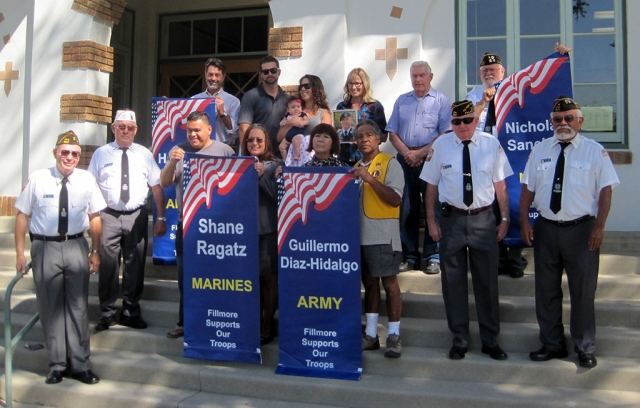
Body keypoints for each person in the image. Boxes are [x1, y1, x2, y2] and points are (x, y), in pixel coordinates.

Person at [520, 96, 619, 369]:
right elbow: (527, 188)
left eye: (568, 118)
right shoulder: (540, 150)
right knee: (546, 291)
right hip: (547, 229)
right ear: (551, 122)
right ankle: (552, 344)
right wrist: (525, 223)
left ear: (580, 121)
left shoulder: (595, 151)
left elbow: (606, 190)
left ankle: (584, 347)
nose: (563, 123)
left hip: (582, 230)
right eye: (557, 119)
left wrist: (599, 226)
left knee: (583, 292)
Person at [420, 100, 512, 361]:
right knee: (453, 283)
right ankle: (459, 338)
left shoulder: (491, 145)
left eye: (467, 120)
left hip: (483, 219)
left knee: (487, 283)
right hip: (452, 221)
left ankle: (490, 340)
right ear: (452, 123)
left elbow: (501, 185)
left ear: (475, 120)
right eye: (457, 122)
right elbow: (431, 187)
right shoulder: (440, 146)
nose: (462, 126)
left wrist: (504, 218)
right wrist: (431, 221)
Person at [15, 130, 106, 385]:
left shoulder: (87, 180)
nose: (69, 157)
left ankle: (80, 365)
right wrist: (20, 253)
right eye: (64, 152)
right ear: (55, 152)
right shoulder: (38, 179)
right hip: (45, 248)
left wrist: (95, 250)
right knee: (50, 307)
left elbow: (95, 217)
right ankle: (56, 365)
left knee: (77, 307)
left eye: (74, 153)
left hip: (76, 244)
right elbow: (22, 215)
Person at [88, 110, 167, 332]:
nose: (125, 131)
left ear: (136, 130)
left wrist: (160, 216)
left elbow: (157, 187)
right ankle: (107, 313)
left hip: (137, 216)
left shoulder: (144, 154)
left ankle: (130, 311)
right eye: (121, 127)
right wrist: (91, 218)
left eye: (130, 128)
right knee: (109, 265)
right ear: (113, 128)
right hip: (108, 215)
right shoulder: (101, 154)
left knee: (135, 264)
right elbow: (90, 186)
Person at [159, 111, 235, 339]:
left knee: (218, 277)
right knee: (185, 277)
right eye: (189, 130)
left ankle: (217, 319)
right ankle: (184, 322)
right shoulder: (180, 151)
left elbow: (236, 186)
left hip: (218, 229)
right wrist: (172, 162)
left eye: (197, 130)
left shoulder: (225, 151)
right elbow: (164, 183)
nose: (192, 134)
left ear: (209, 129)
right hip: (188, 227)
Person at [465, 53, 527, 278]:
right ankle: (499, 257)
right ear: (480, 74)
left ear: (503, 72)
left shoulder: (514, 92)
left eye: (494, 69)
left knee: (513, 205)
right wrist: (483, 102)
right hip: (484, 159)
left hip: (511, 157)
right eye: (485, 71)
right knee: (492, 209)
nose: (489, 73)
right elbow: (468, 124)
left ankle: (515, 259)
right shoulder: (472, 95)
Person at [387, 61, 451, 274]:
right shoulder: (402, 101)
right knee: (407, 209)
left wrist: (420, 153)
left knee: (433, 208)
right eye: (414, 75)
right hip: (405, 160)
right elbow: (392, 133)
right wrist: (408, 153)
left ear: (430, 77)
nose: (418, 79)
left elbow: (444, 134)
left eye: (422, 75)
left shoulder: (441, 101)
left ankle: (433, 256)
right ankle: (410, 256)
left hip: (431, 159)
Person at [350, 119, 404, 358]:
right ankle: (371, 335)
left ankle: (393, 335)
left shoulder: (390, 164)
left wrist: (369, 179)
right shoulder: (355, 166)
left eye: (369, 134)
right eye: (360, 136)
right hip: (359, 235)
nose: (364, 139)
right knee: (369, 285)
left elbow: (395, 199)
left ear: (379, 138)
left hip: (383, 233)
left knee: (390, 285)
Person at [241, 124, 281, 345]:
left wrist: (261, 177)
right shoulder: (237, 165)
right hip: (244, 233)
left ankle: (267, 324)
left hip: (268, 231)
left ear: (266, 142)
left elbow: (280, 197)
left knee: (268, 280)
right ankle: (253, 322)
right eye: (250, 140)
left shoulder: (275, 165)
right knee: (251, 281)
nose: (254, 144)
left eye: (259, 140)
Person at [277, 74, 332, 166]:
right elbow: (279, 138)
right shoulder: (294, 111)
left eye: (307, 86)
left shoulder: (324, 113)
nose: (303, 89)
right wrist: (290, 123)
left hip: (314, 160)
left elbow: (327, 139)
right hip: (293, 159)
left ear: (315, 88)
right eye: (301, 86)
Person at [238, 56, 290, 154]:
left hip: (281, 155)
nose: (270, 74)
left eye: (273, 70)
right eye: (265, 72)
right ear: (261, 75)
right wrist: (247, 157)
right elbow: (244, 128)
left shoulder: (287, 99)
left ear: (279, 72)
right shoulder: (250, 96)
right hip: (259, 155)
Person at [336, 68, 387, 165]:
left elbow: (384, 136)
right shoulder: (341, 106)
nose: (353, 87)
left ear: (365, 84)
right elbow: (338, 131)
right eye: (350, 83)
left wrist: (363, 139)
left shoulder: (375, 106)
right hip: (345, 158)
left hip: (368, 159)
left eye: (357, 83)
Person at [192, 58, 241, 149]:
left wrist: (223, 113)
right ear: (205, 75)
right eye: (210, 74)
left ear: (223, 76)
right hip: (199, 150)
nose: (213, 78)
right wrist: (167, 105)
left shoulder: (233, 101)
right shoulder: (194, 100)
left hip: (223, 149)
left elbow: (234, 133)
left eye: (217, 75)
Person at [278, 96, 309, 160]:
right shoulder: (287, 116)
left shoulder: (302, 114)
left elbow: (308, 121)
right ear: (288, 110)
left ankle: (297, 155)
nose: (296, 109)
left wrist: (303, 123)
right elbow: (281, 123)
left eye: (298, 106)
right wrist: (283, 122)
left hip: (298, 134)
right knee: (281, 146)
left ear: (301, 108)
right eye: (293, 107)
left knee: (296, 142)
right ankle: (285, 159)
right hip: (288, 136)